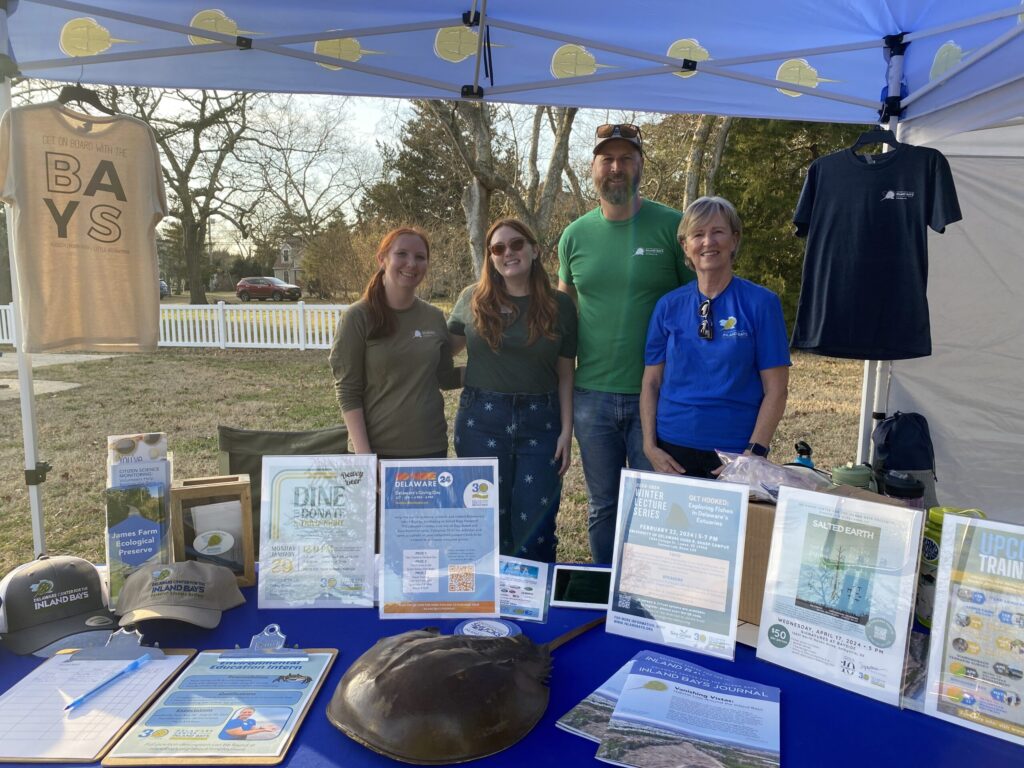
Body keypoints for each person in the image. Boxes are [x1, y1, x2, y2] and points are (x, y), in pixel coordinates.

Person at [558, 123, 692, 564]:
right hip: (591, 395)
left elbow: (696, 305)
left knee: (654, 508)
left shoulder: (673, 227)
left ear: (640, 166)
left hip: (656, 394)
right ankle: (604, 599)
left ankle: (646, 600)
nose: (616, 168)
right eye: (607, 160)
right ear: (593, 168)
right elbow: (562, 315)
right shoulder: (574, 236)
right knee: (604, 507)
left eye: (626, 159)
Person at [449, 219, 577, 562]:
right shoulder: (472, 300)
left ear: (534, 250)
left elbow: (566, 374)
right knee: (483, 522)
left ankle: (531, 608)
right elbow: (438, 353)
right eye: (498, 248)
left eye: (517, 244)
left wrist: (567, 430)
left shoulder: (559, 306)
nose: (509, 252)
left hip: (543, 423)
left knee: (534, 524)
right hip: (481, 422)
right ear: (490, 258)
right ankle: (483, 607)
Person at [641, 196, 790, 478]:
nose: (708, 241)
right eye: (698, 234)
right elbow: (651, 382)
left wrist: (753, 455)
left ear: (734, 240)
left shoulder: (761, 304)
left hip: (734, 454)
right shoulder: (667, 306)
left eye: (717, 232)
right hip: (672, 450)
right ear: (685, 246)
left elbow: (777, 390)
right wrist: (649, 446)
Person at [329, 227, 461, 459]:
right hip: (376, 453)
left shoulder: (434, 317)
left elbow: (444, 377)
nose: (412, 263)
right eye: (402, 254)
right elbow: (348, 391)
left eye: (420, 257)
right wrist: (364, 457)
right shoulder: (357, 317)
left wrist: (492, 371)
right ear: (382, 259)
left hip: (430, 448)